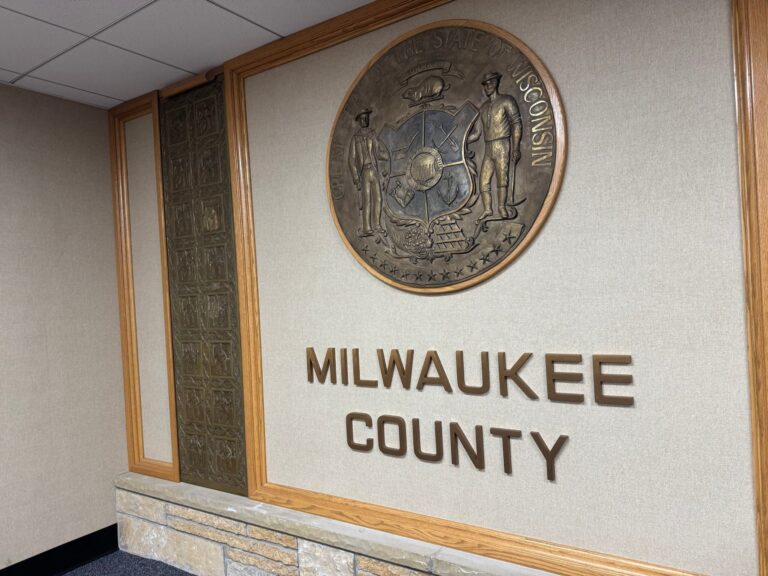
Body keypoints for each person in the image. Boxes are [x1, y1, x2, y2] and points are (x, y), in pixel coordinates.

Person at [466, 72, 522, 220]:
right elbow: (477, 133)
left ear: (496, 83)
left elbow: (516, 123)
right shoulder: (483, 108)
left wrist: (516, 147)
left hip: (502, 144)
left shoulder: (507, 101)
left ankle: (501, 207)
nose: (487, 86)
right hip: (488, 147)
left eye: (490, 83)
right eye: (485, 84)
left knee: (502, 178)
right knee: (483, 181)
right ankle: (487, 209)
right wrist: (462, 141)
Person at [348, 108, 384, 236]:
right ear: (359, 121)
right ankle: (367, 227)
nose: (365, 120)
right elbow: (351, 160)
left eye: (366, 117)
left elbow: (378, 153)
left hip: (374, 169)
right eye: (362, 118)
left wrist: (390, 157)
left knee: (378, 198)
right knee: (367, 199)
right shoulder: (355, 139)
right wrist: (356, 179)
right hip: (363, 173)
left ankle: (377, 225)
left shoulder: (372, 135)